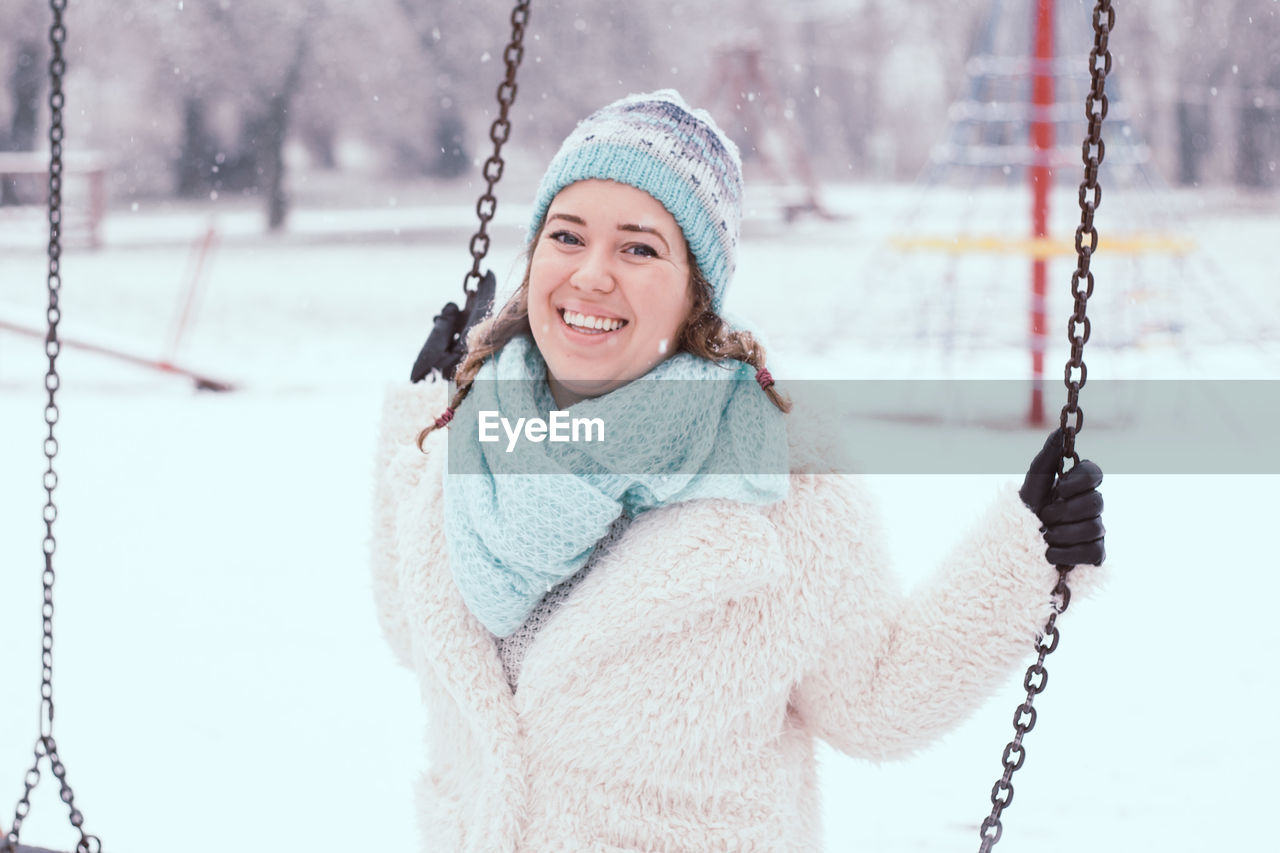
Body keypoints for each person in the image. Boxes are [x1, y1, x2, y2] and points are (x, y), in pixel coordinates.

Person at [370, 90, 1106, 852]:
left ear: (697, 292)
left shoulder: (779, 482)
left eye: (639, 247)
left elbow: (876, 697)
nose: (590, 274)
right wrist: (421, 415)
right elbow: (416, 631)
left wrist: (1029, 556)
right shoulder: (479, 428)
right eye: (567, 235)